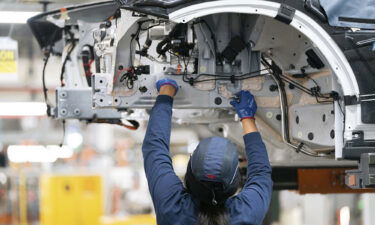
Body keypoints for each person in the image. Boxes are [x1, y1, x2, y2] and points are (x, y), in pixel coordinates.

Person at [142, 78, 273, 225]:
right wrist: (166, 91)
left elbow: (261, 171)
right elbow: (154, 149)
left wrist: (247, 118)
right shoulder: (170, 208)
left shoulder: (249, 212)